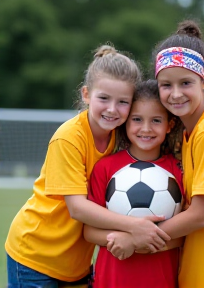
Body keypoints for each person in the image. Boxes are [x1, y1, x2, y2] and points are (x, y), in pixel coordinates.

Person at [107, 20, 204, 288]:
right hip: (200, 274)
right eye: (166, 85)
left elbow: (201, 215)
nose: (175, 94)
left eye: (186, 83)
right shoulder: (190, 134)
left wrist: (136, 239)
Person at [5, 45, 171, 288]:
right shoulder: (69, 138)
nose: (112, 109)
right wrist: (135, 227)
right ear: (86, 94)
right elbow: (78, 209)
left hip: (76, 263)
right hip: (36, 255)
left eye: (123, 102)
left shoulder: (119, 137)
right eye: (103, 98)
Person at [83, 79, 185, 288]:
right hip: (112, 280)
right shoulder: (105, 168)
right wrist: (121, 238)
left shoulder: (179, 171)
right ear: (126, 122)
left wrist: (135, 242)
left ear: (170, 125)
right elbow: (89, 232)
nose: (146, 128)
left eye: (156, 120)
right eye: (137, 119)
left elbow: (186, 236)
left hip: (160, 280)